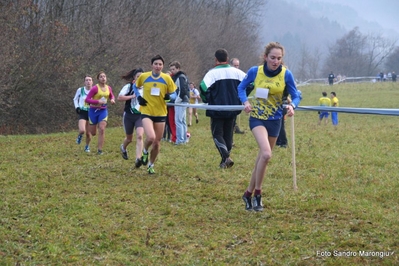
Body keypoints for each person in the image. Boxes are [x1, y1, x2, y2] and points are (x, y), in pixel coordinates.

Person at [237, 42, 301, 212]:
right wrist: (245, 102)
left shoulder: (286, 74)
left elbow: (296, 95)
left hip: (275, 121)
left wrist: (292, 106)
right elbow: (241, 87)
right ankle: (258, 194)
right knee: (266, 154)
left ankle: (248, 193)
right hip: (257, 118)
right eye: (272, 58)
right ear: (265, 57)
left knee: (262, 159)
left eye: (279, 58)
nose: (275, 61)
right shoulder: (254, 71)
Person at [200, 49, 246, 169]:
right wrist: (241, 97)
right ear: (227, 58)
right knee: (228, 135)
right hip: (233, 108)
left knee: (217, 134)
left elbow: (203, 87)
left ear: (216, 59)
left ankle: (226, 157)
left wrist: (208, 99)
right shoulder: (238, 72)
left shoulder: (212, 73)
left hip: (217, 109)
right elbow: (250, 84)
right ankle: (224, 161)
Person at [133, 54, 176, 174]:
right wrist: (138, 97)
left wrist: (169, 96)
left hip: (161, 113)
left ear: (163, 66)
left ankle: (151, 165)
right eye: (156, 64)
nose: (158, 66)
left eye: (160, 64)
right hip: (147, 111)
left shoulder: (167, 78)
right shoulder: (144, 76)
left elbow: (174, 94)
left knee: (157, 143)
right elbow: (135, 86)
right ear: (152, 65)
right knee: (151, 137)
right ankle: (145, 151)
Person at [117, 68, 145, 168]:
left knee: (140, 136)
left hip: (140, 116)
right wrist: (132, 96)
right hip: (128, 116)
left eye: (142, 76)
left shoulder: (147, 88)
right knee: (129, 139)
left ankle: (138, 158)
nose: (140, 78)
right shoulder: (129, 86)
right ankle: (123, 148)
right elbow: (119, 98)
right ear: (134, 77)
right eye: (138, 76)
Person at [85, 71, 116, 155]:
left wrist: (112, 99)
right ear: (98, 79)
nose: (103, 78)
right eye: (101, 77)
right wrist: (97, 101)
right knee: (93, 133)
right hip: (93, 111)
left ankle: (100, 150)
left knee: (102, 129)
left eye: (104, 76)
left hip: (103, 111)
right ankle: (87, 144)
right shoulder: (95, 88)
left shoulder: (108, 88)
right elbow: (87, 99)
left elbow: (111, 95)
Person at [169, 61, 190, 145]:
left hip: (181, 101)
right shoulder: (179, 76)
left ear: (178, 68)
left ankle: (180, 140)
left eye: (173, 69)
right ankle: (183, 139)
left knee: (178, 121)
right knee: (182, 121)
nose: (172, 71)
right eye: (171, 70)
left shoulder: (181, 77)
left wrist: (177, 101)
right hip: (182, 100)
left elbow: (183, 90)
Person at [73, 75, 93, 152]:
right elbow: (75, 99)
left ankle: (87, 146)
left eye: (90, 80)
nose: (88, 81)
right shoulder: (80, 90)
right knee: (82, 130)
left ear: (92, 82)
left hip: (91, 112)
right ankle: (80, 135)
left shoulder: (95, 90)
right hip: (83, 112)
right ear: (84, 82)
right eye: (87, 80)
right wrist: (77, 107)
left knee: (88, 133)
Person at [230, 57, 245, 134]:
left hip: (237, 99)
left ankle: (235, 128)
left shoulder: (241, 75)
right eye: (234, 65)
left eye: (237, 65)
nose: (236, 67)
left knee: (234, 115)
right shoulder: (228, 75)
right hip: (229, 98)